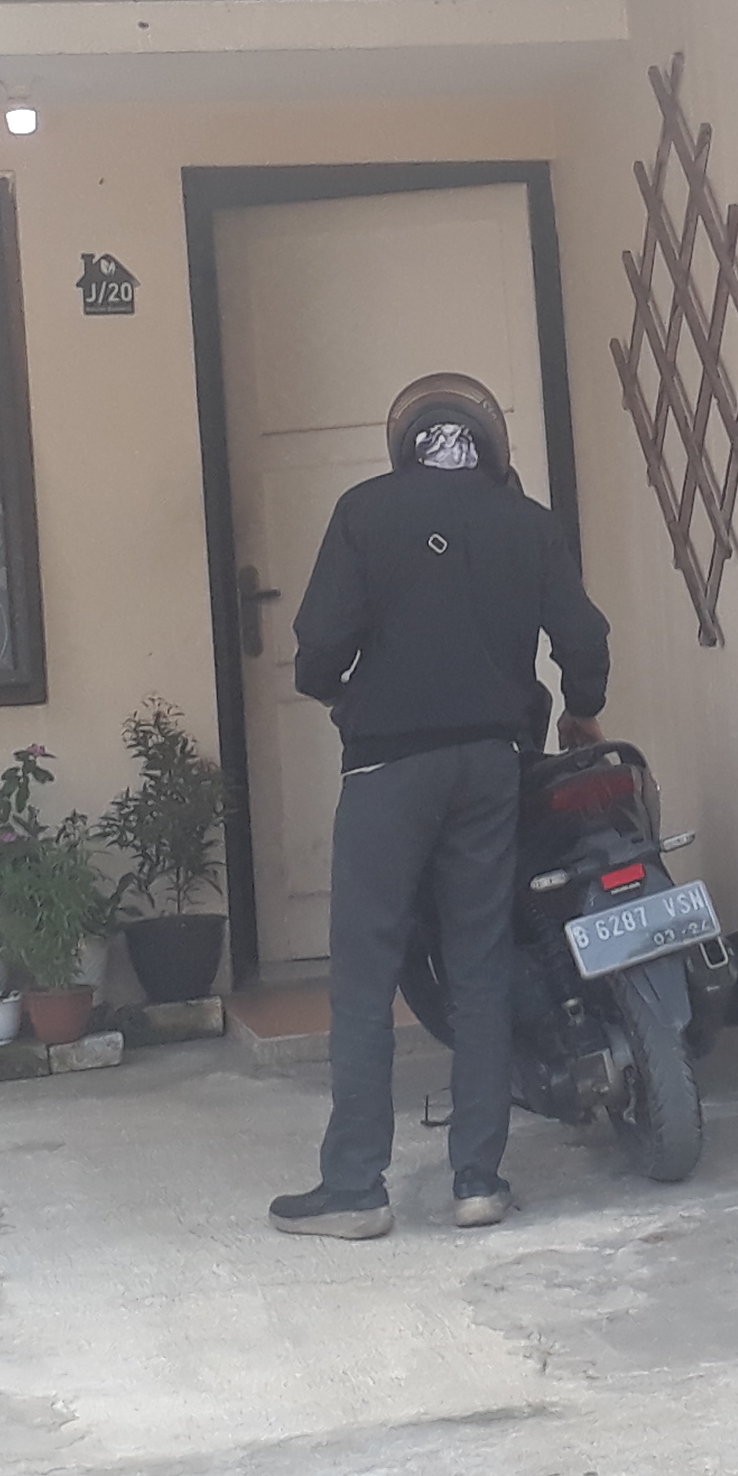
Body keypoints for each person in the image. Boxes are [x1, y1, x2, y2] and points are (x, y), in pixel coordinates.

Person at [269, 372, 610, 1240]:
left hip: (387, 769)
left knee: (365, 972)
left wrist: (339, 692)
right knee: (479, 965)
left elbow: (318, 650)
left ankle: (355, 1189)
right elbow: (583, 637)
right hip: (492, 764)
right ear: (489, 443)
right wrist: (582, 707)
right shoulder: (527, 523)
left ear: (406, 441)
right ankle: (479, 1181)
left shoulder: (363, 511)